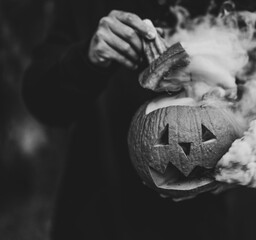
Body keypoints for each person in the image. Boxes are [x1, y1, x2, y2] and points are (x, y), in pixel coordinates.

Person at [22, 0, 233, 239]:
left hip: (199, 224)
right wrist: (88, 59)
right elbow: (42, 101)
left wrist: (240, 145)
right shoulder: (84, 6)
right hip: (96, 216)